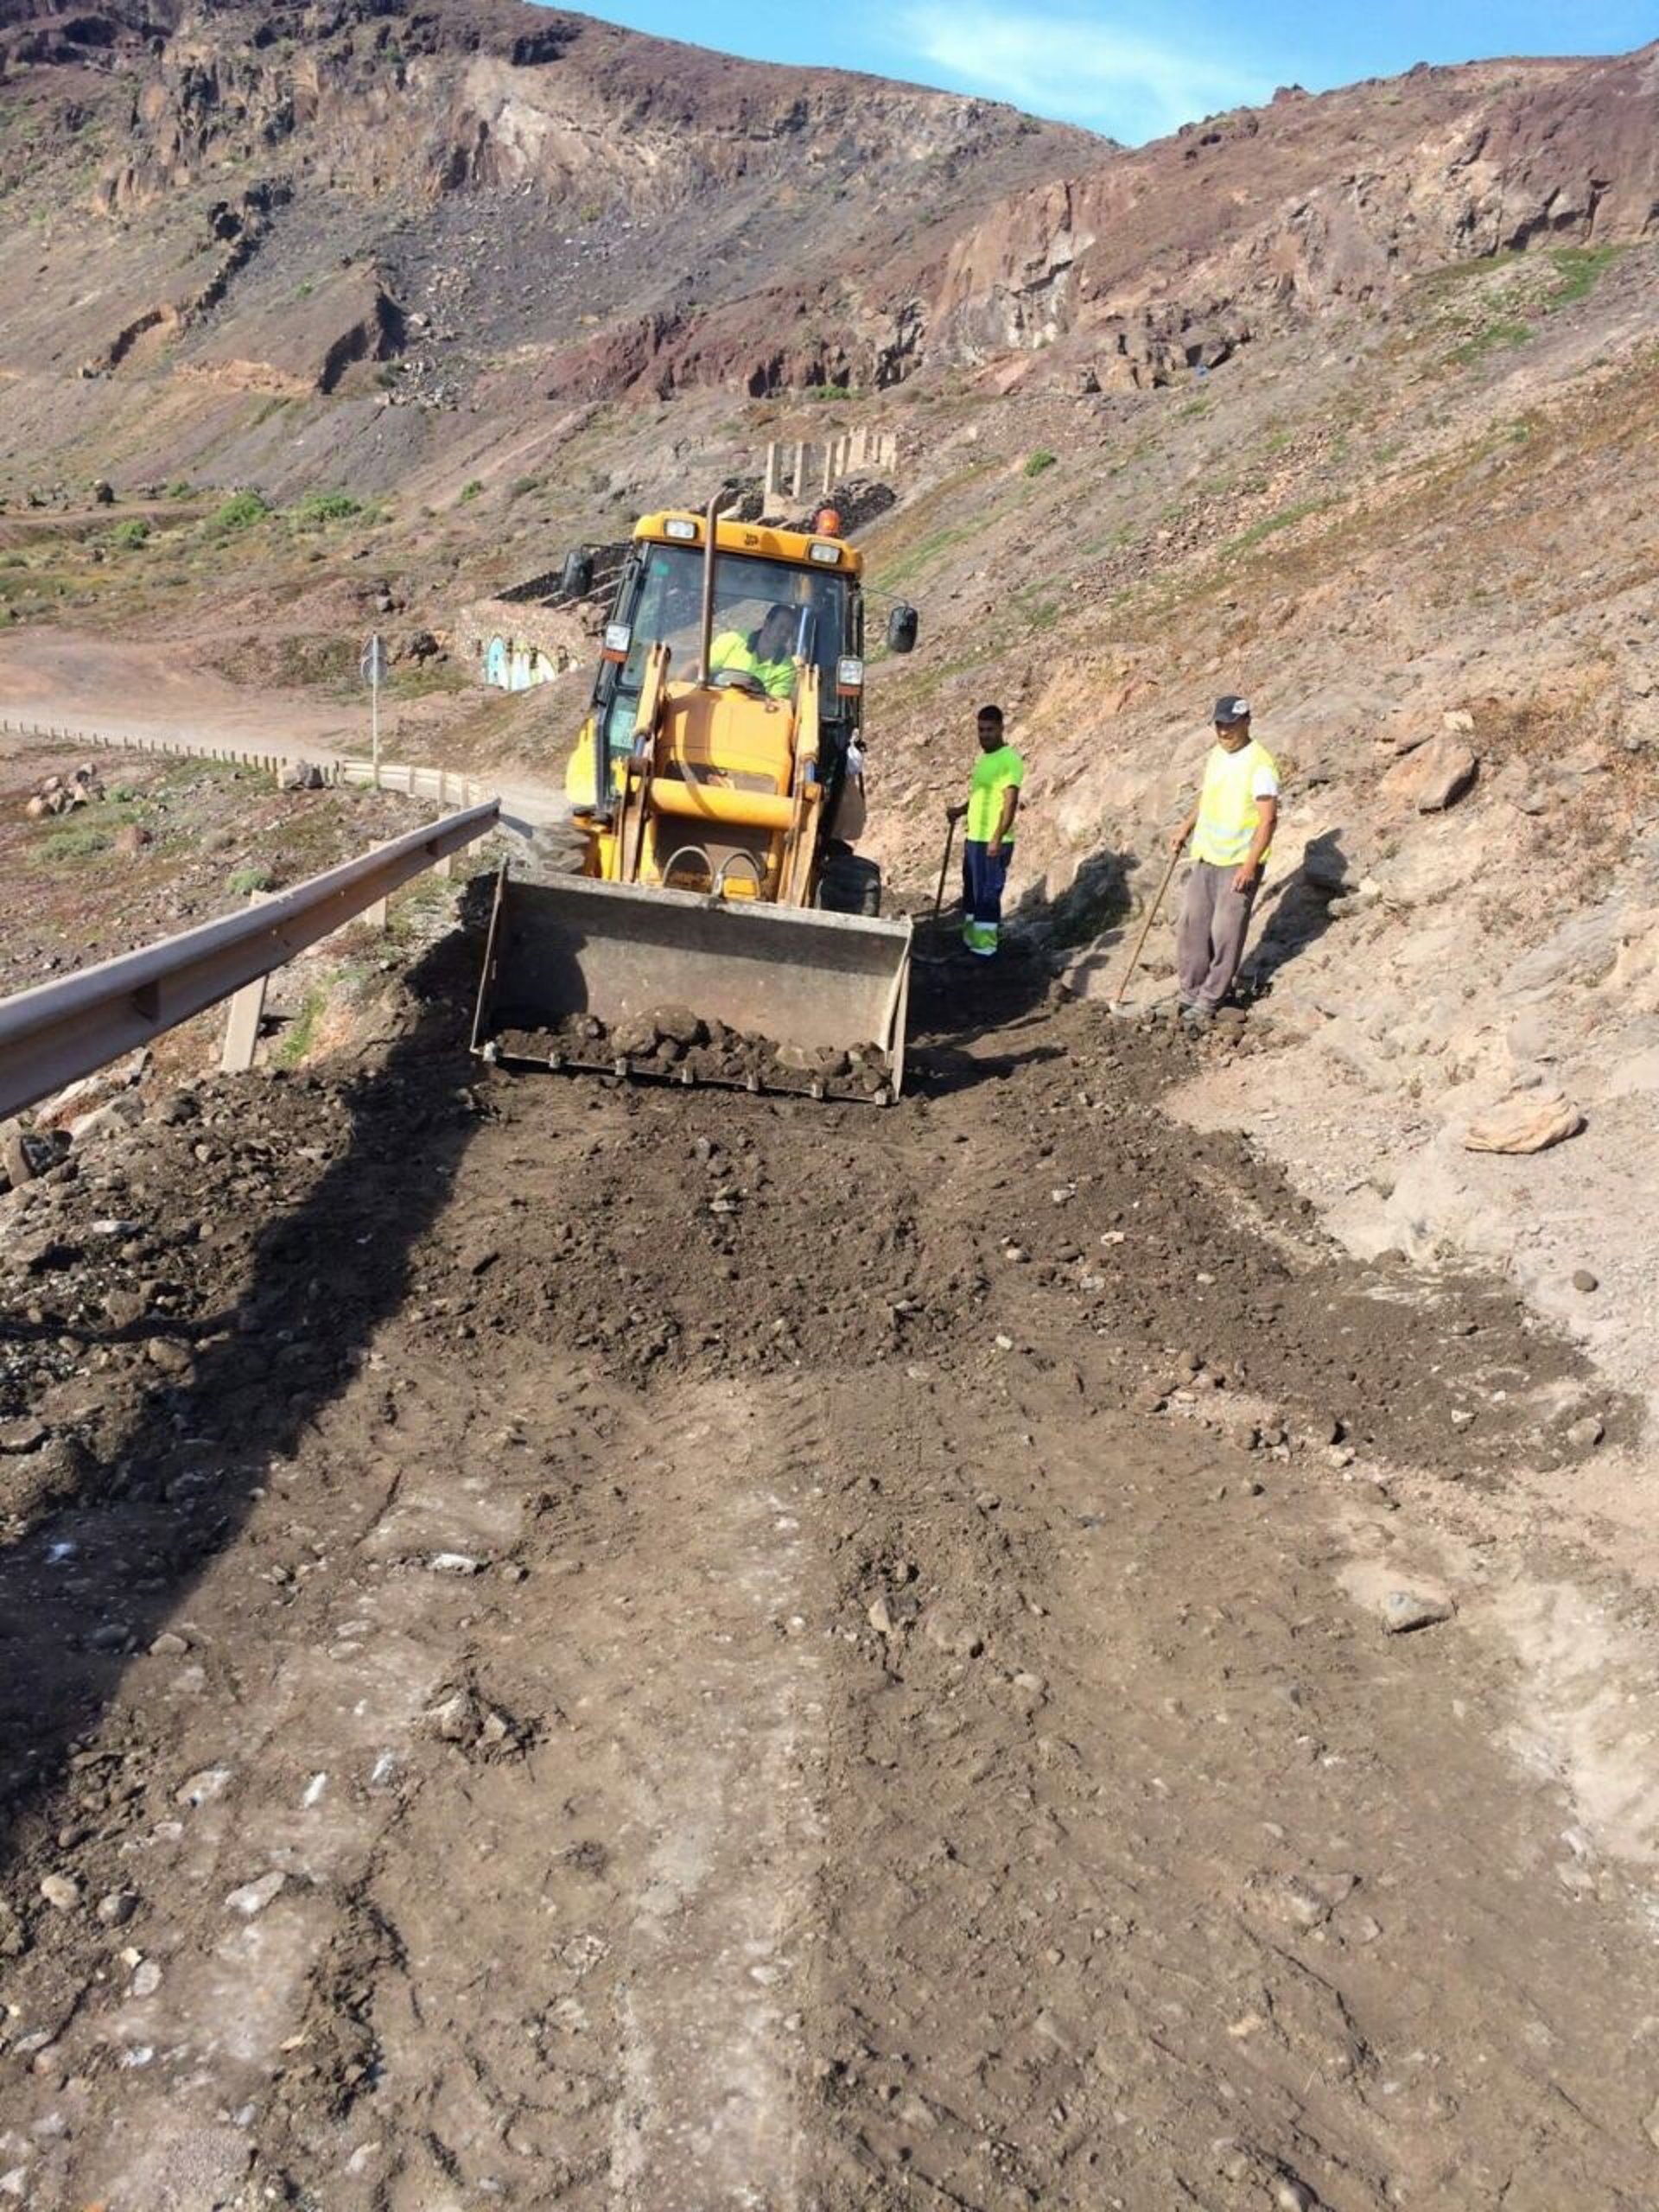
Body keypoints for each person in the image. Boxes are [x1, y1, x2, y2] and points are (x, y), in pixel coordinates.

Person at [1169, 694, 1279, 1023]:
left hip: (1238, 863)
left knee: (1225, 932)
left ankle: (1211, 999)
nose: (1224, 731)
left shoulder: (1260, 764)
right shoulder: (1217, 755)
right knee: (1191, 926)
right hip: (1207, 856)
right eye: (1219, 725)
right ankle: (1190, 993)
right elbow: (1208, 796)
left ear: (1246, 722)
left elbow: (1268, 819)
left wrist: (1250, 865)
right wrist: (1186, 826)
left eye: (1230, 725)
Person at [945, 703, 1025, 957]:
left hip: (992, 840)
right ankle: (971, 941)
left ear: (1001, 728)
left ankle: (986, 949)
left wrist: (997, 837)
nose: (985, 735)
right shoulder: (984, 759)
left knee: (988, 893)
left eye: (990, 730)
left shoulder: (1009, 760)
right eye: (981, 730)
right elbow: (980, 796)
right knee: (972, 892)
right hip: (974, 838)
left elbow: (1010, 802)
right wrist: (960, 810)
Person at [708, 602, 799, 700]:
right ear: (767, 624)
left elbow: (775, 704)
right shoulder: (732, 640)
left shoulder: (787, 670)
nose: (784, 634)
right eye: (780, 627)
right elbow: (701, 669)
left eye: (788, 632)